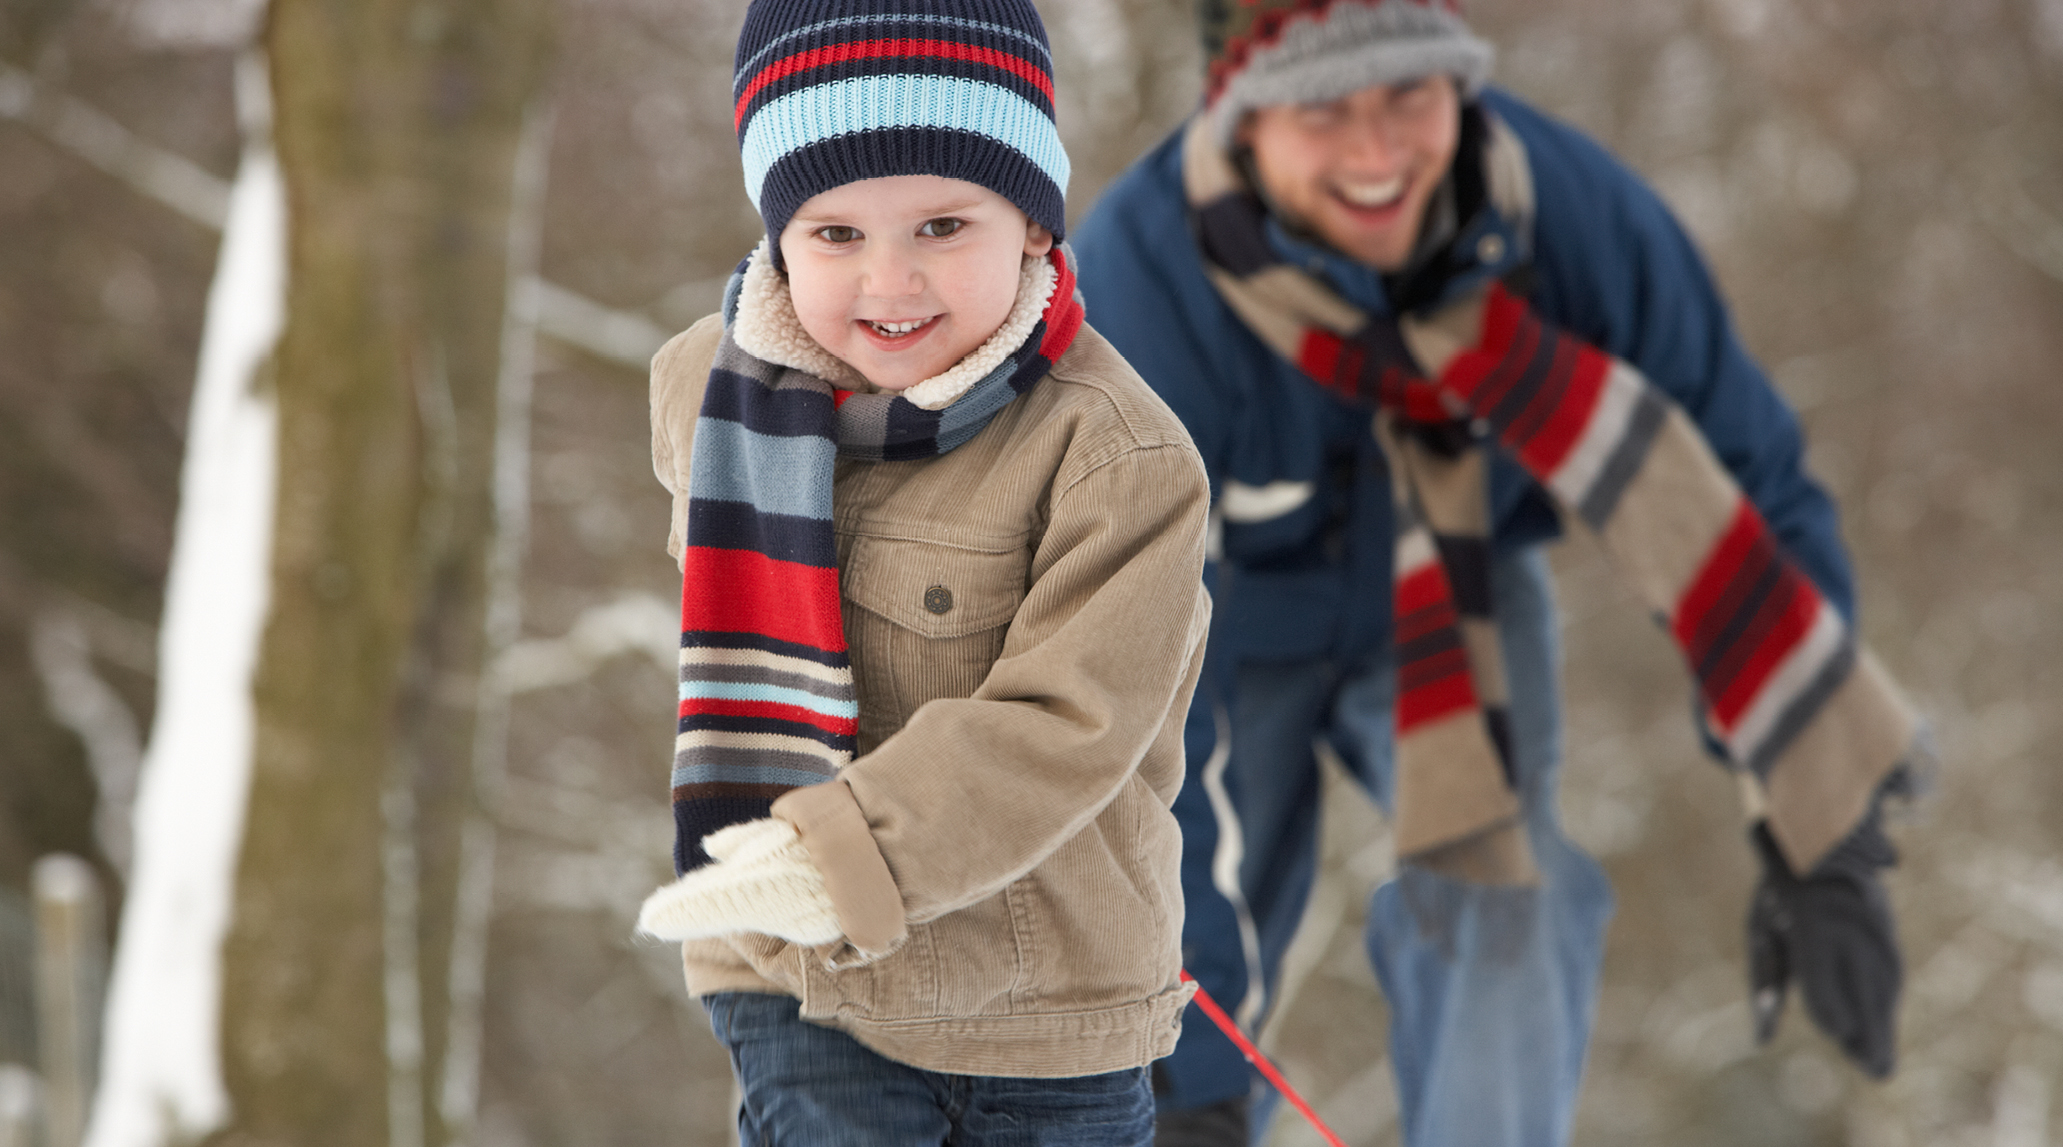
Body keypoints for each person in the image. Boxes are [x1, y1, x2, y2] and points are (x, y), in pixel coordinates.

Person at [1073, 2, 1923, 1144]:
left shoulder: (1556, 214)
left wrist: (1825, 831)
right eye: (1325, 110)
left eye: (1410, 97)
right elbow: (1127, 686)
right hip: (1206, 634)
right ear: (1240, 115)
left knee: (1514, 900)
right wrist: (1187, 1078)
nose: (1378, 156)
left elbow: (1741, 471)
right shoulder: (1143, 289)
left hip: (1452, 586)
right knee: (1206, 951)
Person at [631, 0, 1213, 1142]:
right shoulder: (709, 393)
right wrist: (779, 864)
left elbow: (1068, 723)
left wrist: (839, 853)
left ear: (1034, 227)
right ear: (776, 237)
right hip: (797, 983)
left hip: (1050, 1009)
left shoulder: (1118, 457)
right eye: (835, 234)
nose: (889, 282)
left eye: (942, 225)